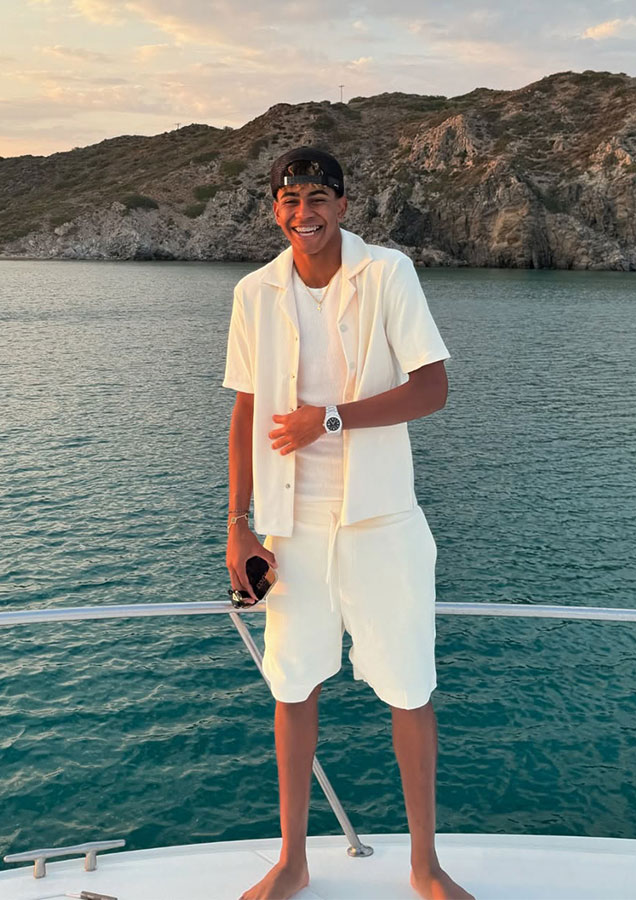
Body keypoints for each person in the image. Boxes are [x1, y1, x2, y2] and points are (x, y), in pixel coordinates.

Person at [223, 146, 474, 900]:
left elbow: (433, 390)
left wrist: (327, 419)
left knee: (409, 691)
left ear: (343, 203)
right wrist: (239, 525)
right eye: (290, 199)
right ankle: (293, 860)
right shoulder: (254, 292)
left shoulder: (388, 273)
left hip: (381, 524)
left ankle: (424, 865)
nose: (306, 213)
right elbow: (242, 410)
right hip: (289, 530)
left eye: (320, 197)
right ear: (275, 208)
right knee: (292, 688)